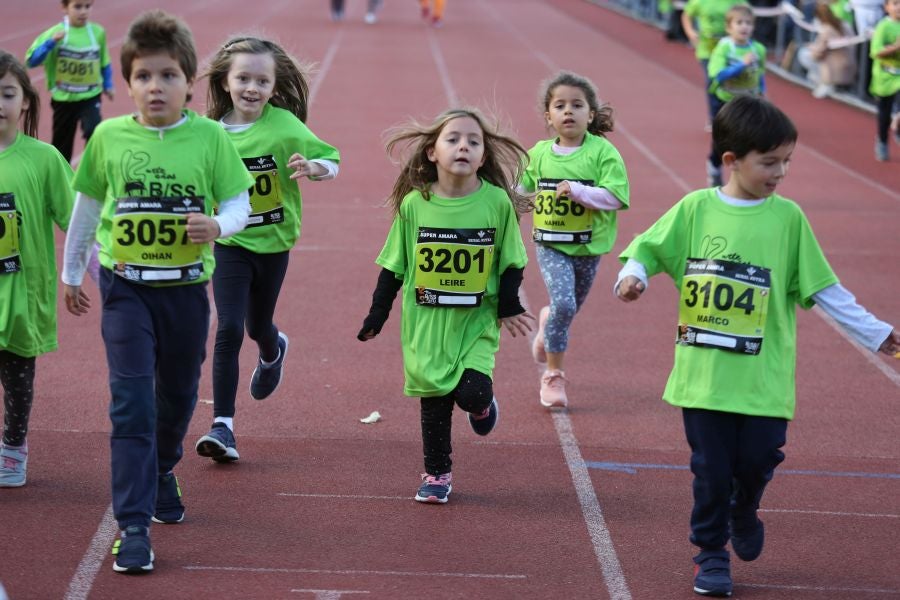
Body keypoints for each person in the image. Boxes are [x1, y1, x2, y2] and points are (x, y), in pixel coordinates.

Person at [615, 95, 899, 597]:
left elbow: (824, 290)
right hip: (704, 379)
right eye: (770, 162)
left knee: (759, 459)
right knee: (710, 470)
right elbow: (647, 247)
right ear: (732, 160)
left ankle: (744, 506)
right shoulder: (695, 209)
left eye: (787, 161)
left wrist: (878, 334)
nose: (781, 172)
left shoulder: (787, 220)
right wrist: (632, 276)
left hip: (764, 380)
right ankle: (709, 553)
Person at [60, 10, 253, 574]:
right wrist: (73, 272)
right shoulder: (109, 137)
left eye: (167, 75)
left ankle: (166, 464)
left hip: (187, 292)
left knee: (177, 398)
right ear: (128, 82)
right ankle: (135, 526)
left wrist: (220, 226)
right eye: (144, 76)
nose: (155, 87)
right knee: (131, 403)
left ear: (188, 82)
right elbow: (87, 209)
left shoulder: (211, 138)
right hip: (125, 289)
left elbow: (240, 202)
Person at [357, 108, 533, 504]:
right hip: (426, 322)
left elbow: (512, 261)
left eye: (473, 141)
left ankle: (482, 406)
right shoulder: (414, 206)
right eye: (453, 139)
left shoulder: (497, 204)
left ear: (483, 157)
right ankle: (437, 474)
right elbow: (393, 266)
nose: (463, 146)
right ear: (433, 152)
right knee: (434, 399)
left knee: (470, 392)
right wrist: (377, 314)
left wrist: (507, 306)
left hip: (476, 321)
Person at [193, 36, 340, 463]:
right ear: (225, 81)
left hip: (273, 245)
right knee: (228, 328)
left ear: (275, 87)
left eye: (261, 80)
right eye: (243, 78)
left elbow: (332, 158)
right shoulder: (210, 133)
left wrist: (313, 167)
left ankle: (274, 349)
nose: (251, 88)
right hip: (230, 243)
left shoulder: (285, 126)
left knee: (258, 327)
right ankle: (224, 425)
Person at [522, 72, 629, 408]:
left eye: (577, 105)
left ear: (591, 115)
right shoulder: (538, 154)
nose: (568, 111)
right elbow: (521, 190)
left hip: (588, 246)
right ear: (548, 116)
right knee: (565, 305)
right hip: (551, 243)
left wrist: (581, 192)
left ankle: (547, 324)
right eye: (560, 105)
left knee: (567, 309)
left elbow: (616, 197)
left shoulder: (603, 153)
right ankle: (553, 376)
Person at [0, 51, 75, 488]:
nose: (0, 103)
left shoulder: (44, 158)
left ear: (25, 101)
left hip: (23, 293)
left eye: (7, 94)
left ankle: (13, 448)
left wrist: (96, 264)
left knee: (18, 378)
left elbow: (76, 218)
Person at [25, 0, 114, 163]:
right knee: (62, 144)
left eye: (88, 6)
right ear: (65, 7)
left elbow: (104, 61)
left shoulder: (97, 33)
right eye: (78, 6)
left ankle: (91, 171)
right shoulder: (55, 33)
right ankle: (61, 178)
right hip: (63, 99)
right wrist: (51, 43)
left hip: (90, 95)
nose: (83, 12)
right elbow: (31, 60)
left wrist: (108, 84)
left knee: (94, 130)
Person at [705, 4, 766, 186]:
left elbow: (760, 74)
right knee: (722, 140)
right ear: (729, 27)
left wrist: (762, 92)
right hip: (724, 100)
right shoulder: (725, 48)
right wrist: (741, 65)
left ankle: (742, 176)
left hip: (748, 102)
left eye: (748, 23)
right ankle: (714, 165)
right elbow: (717, 74)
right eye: (739, 23)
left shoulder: (758, 49)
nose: (744, 27)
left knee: (748, 139)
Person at [682, 0, 747, 131]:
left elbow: (747, 14)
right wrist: (690, 32)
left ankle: (731, 115)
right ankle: (714, 116)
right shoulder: (699, 2)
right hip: (707, 51)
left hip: (728, 50)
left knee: (731, 82)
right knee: (713, 81)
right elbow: (686, 15)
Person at [797, 0, 858, 99]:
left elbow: (817, 54)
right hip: (851, 66)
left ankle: (824, 82)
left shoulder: (827, 30)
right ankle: (821, 81)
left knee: (804, 53)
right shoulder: (845, 24)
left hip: (834, 71)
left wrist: (812, 47)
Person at [870, 0, 900, 161]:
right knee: (884, 113)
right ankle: (882, 141)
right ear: (886, 7)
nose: (899, 7)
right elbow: (876, 52)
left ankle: (898, 126)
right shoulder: (883, 26)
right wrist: (895, 47)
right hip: (884, 75)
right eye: (895, 3)